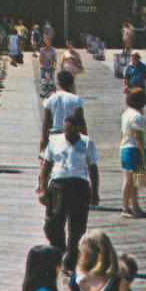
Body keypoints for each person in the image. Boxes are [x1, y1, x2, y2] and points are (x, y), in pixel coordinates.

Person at [39, 114, 100, 272]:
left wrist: (95, 192)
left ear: (79, 129)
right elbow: (46, 165)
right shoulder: (55, 140)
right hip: (58, 185)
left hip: (80, 186)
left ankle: (71, 262)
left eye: (72, 131)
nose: (68, 134)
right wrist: (42, 188)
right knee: (52, 223)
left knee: (78, 228)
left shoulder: (87, 142)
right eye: (66, 130)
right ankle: (60, 246)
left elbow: (93, 168)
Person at [120, 88, 146, 218]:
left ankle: (135, 207)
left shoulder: (127, 113)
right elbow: (138, 137)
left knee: (132, 180)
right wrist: (143, 154)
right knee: (130, 180)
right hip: (133, 149)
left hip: (126, 148)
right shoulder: (137, 117)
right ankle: (126, 208)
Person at [40, 70, 86, 153]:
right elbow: (81, 121)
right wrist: (85, 140)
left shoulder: (50, 98)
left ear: (58, 83)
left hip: (54, 136)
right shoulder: (76, 99)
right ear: (71, 84)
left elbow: (46, 122)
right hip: (71, 138)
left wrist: (43, 140)